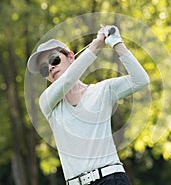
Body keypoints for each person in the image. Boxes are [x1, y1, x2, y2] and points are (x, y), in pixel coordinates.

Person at [27, 25, 150, 185]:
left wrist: (116, 43)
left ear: (71, 57)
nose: (50, 68)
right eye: (44, 69)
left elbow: (141, 80)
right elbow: (68, 80)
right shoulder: (47, 102)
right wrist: (96, 45)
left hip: (111, 179)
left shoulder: (103, 90)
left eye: (54, 59)